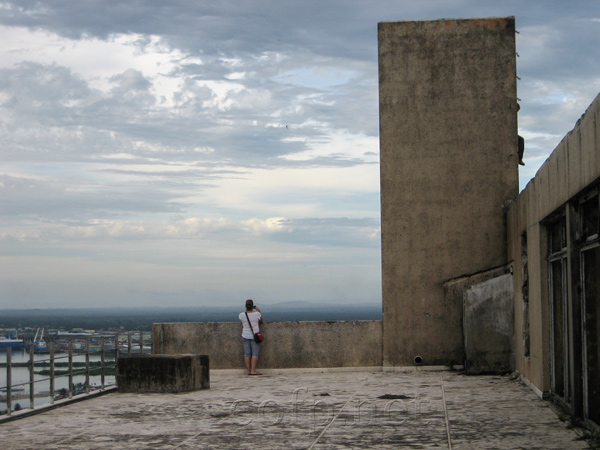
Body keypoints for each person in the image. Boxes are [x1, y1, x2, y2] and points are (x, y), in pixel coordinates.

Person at [239, 299, 263, 375]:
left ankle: (249, 370)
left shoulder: (241, 315)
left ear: (246, 306)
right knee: (254, 354)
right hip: (254, 336)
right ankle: (253, 370)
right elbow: (261, 320)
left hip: (245, 335)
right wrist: (259, 311)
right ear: (253, 306)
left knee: (247, 354)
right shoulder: (257, 314)